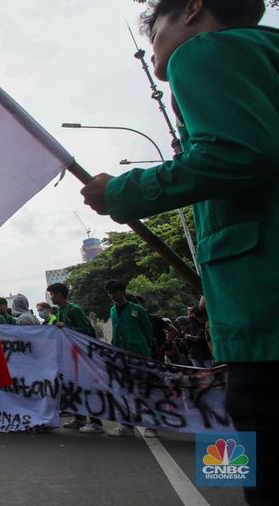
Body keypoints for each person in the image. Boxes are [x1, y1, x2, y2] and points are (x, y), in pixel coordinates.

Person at [81, 1, 276, 500]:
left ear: (192, 8)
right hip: (237, 324)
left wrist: (121, 193)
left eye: (154, 34)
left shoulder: (205, 52)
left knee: (251, 445)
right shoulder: (266, 53)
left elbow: (238, 152)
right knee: (227, 414)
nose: (154, 53)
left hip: (262, 327)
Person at [46, 284, 103, 433]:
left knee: (86, 387)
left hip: (82, 356)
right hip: (70, 357)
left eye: (52, 294)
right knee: (74, 388)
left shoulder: (74, 309)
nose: (51, 298)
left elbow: (86, 331)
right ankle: (79, 418)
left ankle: (96, 422)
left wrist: (67, 327)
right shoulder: (60, 311)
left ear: (59, 294)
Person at [104, 280, 155, 438]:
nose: (113, 295)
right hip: (121, 356)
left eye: (116, 291)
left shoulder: (137, 309)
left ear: (123, 291)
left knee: (144, 391)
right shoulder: (112, 310)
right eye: (110, 293)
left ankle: (151, 425)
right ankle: (126, 425)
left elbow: (148, 333)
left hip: (139, 355)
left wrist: (149, 354)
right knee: (124, 391)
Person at [136, 296, 167, 364]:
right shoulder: (133, 322)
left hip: (156, 355)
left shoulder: (154, 318)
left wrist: (163, 346)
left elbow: (173, 331)